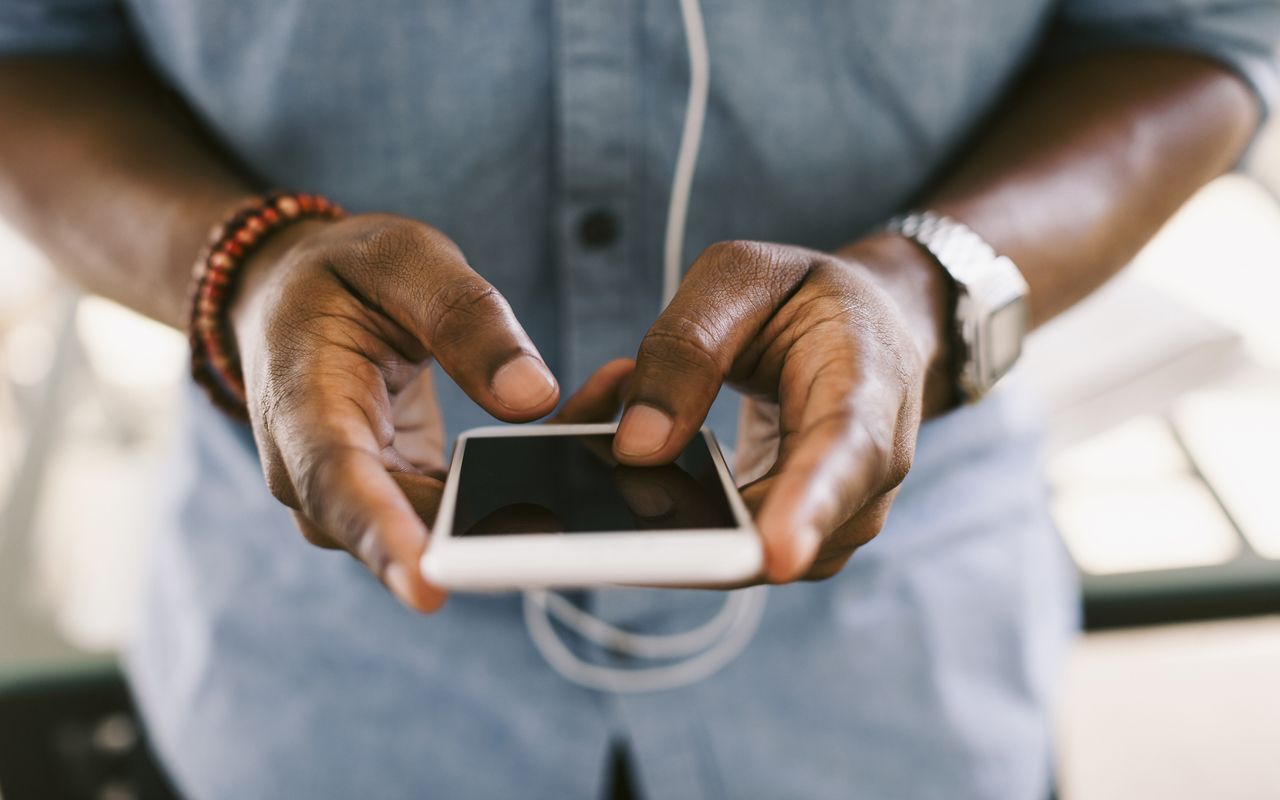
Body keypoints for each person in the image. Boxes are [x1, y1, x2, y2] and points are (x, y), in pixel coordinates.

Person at [2, 1, 1277, 797]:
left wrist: (923, 296)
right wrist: (246, 264)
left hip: (897, 680)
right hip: (315, 692)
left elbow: (1196, 33)